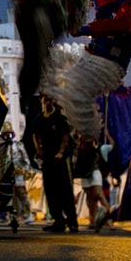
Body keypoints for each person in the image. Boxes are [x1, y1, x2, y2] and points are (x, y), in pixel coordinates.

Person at [47, 0, 131, 145]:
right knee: (50, 58)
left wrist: (84, 29)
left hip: (109, 64)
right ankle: (55, 108)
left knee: (75, 89)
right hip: (88, 54)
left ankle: (89, 140)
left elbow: (119, 25)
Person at [33, 94, 78, 233]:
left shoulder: (59, 117)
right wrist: (38, 149)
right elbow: (35, 134)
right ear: (42, 101)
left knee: (65, 190)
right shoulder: (40, 118)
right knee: (51, 190)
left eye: (50, 100)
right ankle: (58, 221)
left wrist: (61, 152)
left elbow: (65, 136)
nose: (47, 102)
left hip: (61, 160)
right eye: (45, 100)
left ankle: (72, 222)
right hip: (47, 159)